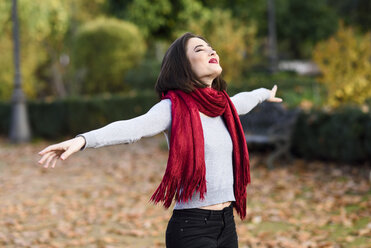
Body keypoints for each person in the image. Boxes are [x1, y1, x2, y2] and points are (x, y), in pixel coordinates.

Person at [38, 32, 282, 248]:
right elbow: (133, 127)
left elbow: (248, 99)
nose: (211, 51)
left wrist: (265, 94)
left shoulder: (224, 106)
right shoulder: (172, 108)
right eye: (200, 49)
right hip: (192, 228)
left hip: (226, 225)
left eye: (211, 47)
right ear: (183, 66)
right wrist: (82, 141)